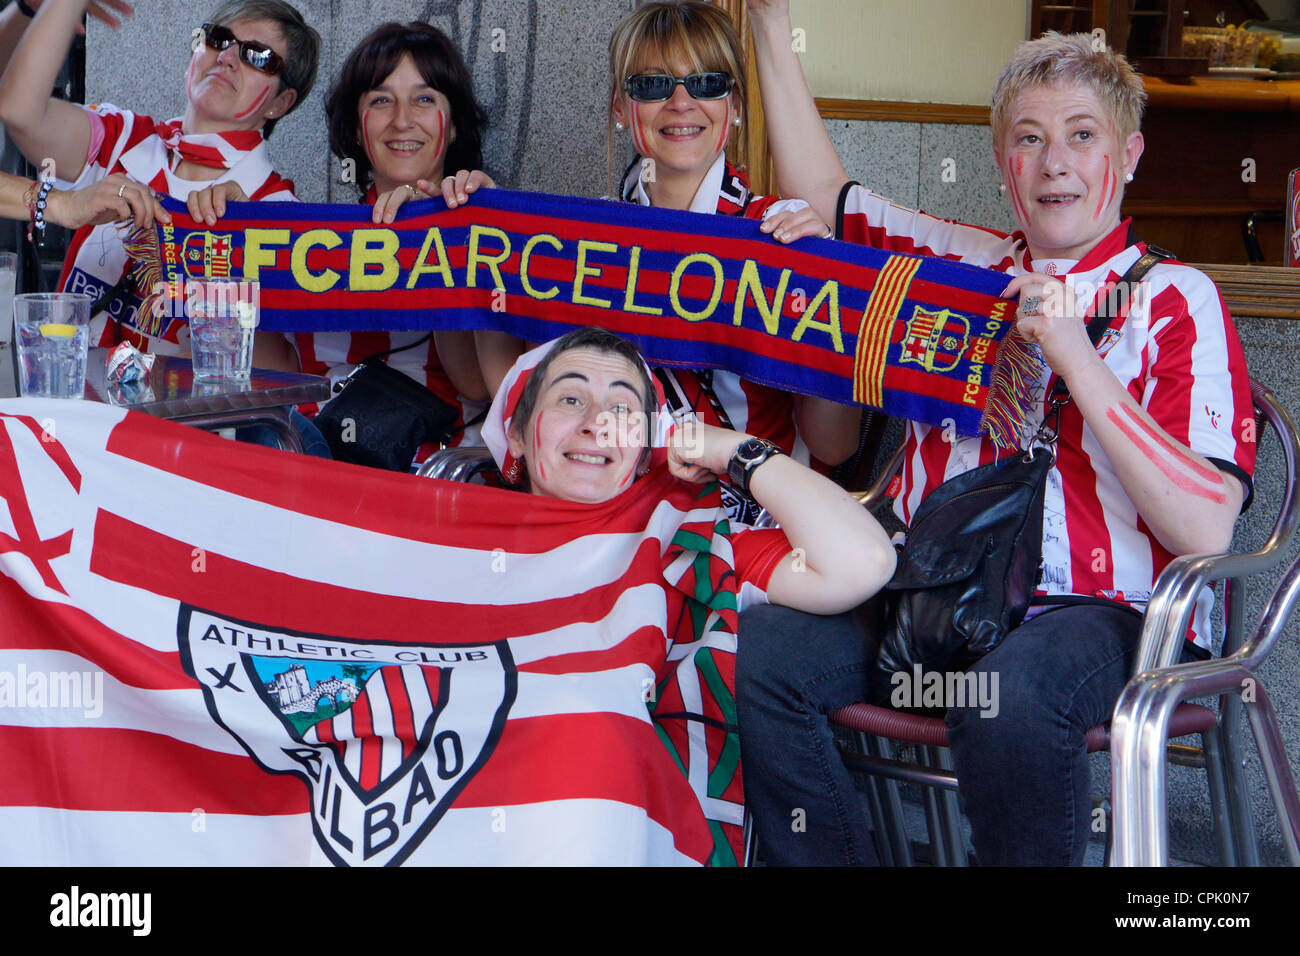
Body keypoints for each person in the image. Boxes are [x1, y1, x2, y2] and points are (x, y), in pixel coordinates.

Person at [739, 0, 1256, 866]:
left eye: (1082, 136)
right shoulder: (958, 266)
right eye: (1027, 139)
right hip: (932, 605)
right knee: (764, 653)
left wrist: (1073, 355)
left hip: (1098, 618)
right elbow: (824, 191)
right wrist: (766, 19)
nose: (1054, 163)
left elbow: (1205, 528)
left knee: (1003, 698)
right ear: (1000, 160)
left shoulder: (1177, 299)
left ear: (1127, 156)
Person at [478, 325, 895, 862]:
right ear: (516, 432)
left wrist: (732, 450)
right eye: (570, 398)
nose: (596, 424)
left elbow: (864, 562)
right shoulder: (453, 546)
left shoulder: (691, 547)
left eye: (623, 409)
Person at [474, 1, 860, 502]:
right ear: (619, 106)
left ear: (736, 106)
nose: (681, 102)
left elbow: (834, 445)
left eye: (707, 83)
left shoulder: (785, 235)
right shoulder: (578, 238)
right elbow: (522, 408)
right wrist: (476, 243)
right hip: (610, 516)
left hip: (744, 526)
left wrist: (832, 286)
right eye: (652, 85)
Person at [187, 21, 491, 452]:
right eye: (381, 100)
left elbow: (476, 385)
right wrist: (237, 231)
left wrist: (439, 226)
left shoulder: (479, 217)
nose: (403, 120)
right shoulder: (311, 239)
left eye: (424, 99)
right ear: (355, 128)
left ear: (455, 124)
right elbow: (277, 373)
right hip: (305, 453)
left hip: (423, 469)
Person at [0, 0, 319, 369]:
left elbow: (283, 382)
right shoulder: (123, 139)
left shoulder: (279, 209)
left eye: (258, 57)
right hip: (68, 409)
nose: (228, 56)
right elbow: (19, 110)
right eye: (218, 38)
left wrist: (239, 247)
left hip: (179, 424)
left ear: (280, 102)